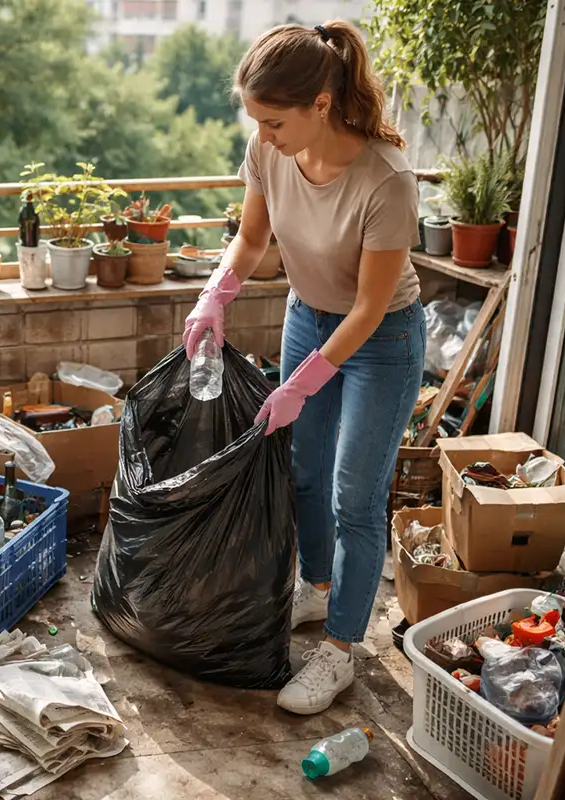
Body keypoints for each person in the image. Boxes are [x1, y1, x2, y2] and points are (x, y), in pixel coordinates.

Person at [183, 20, 425, 715]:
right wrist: (213, 295)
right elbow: (254, 238)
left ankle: (342, 649)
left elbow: (372, 307)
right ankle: (315, 590)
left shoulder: (386, 179)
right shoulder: (270, 152)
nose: (262, 135)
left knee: (355, 495)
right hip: (307, 317)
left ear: (321, 104)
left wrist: (302, 382)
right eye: (255, 120)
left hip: (380, 340)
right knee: (303, 473)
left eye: (274, 121)